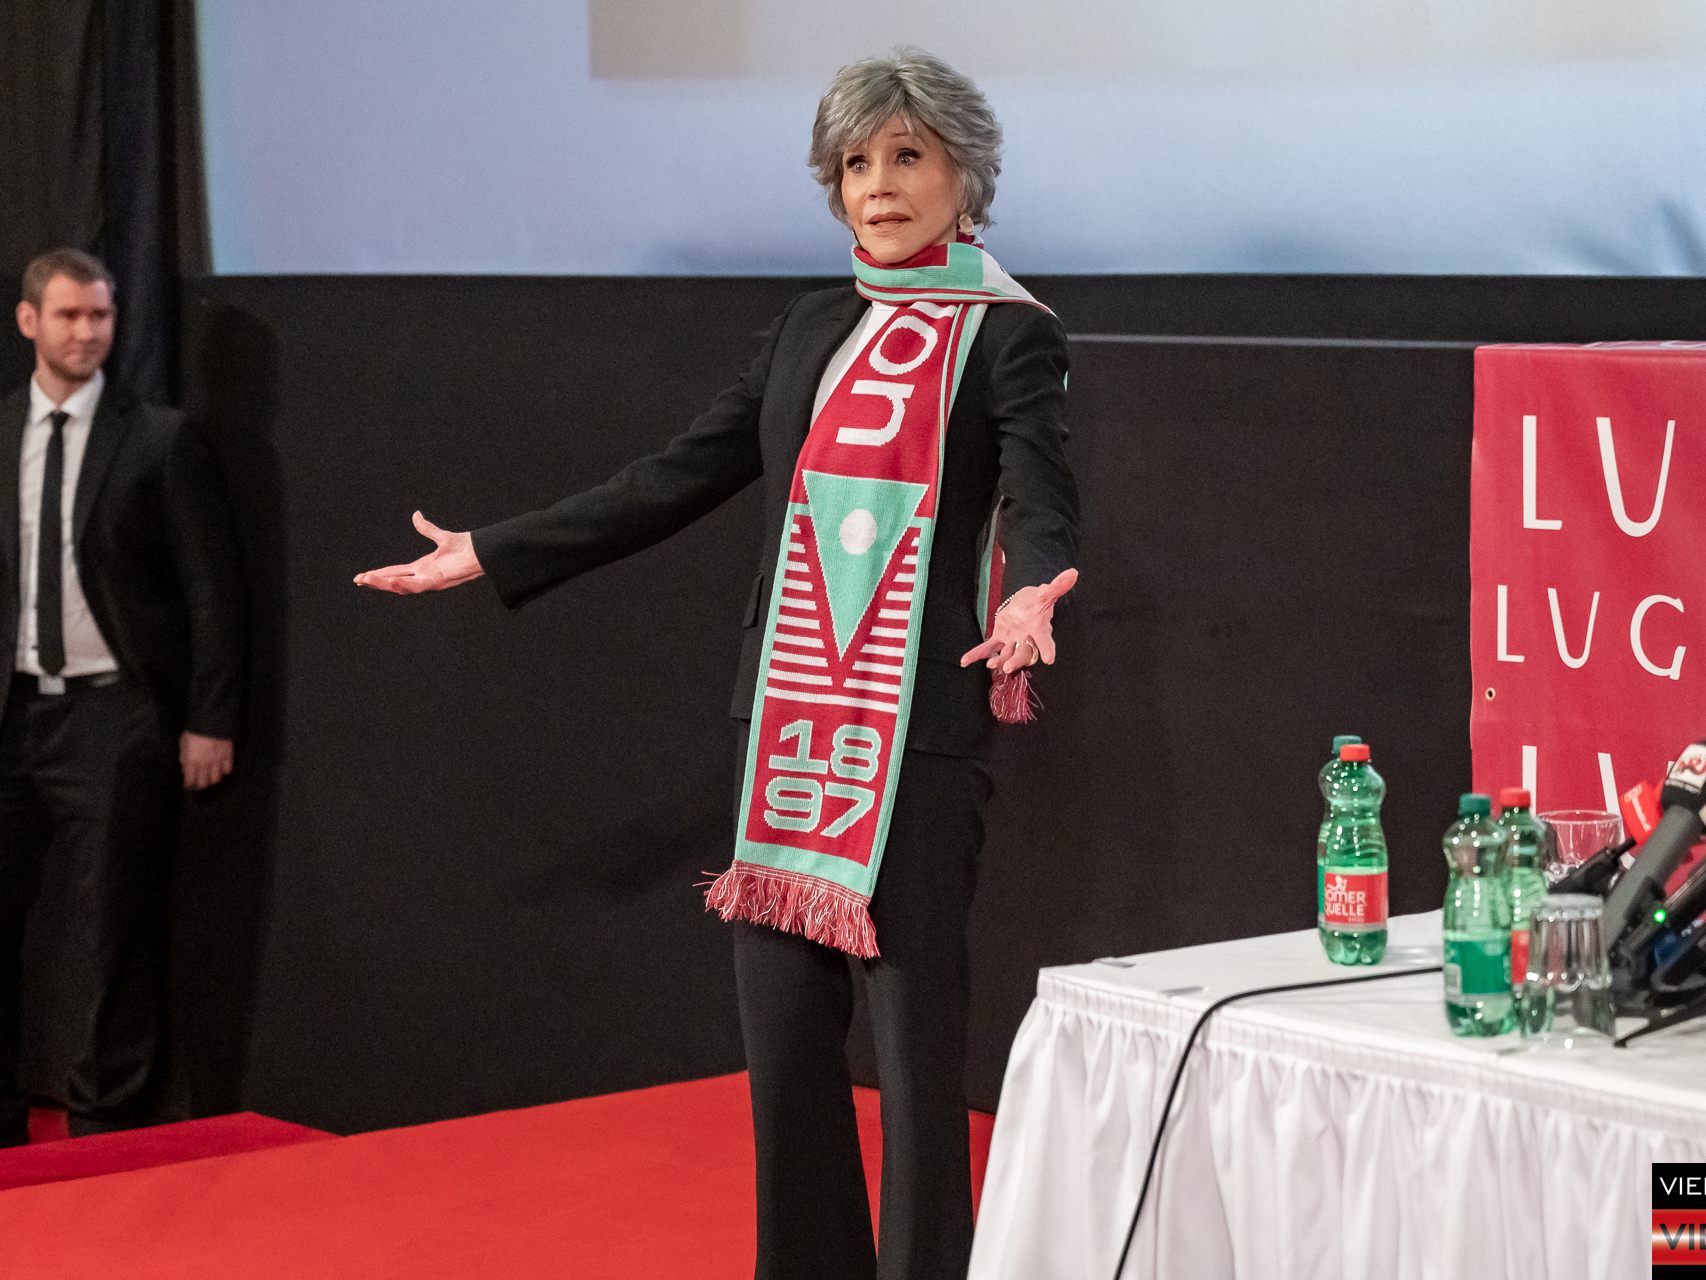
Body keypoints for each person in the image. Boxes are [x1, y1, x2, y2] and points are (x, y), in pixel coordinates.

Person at [357, 49, 1078, 1280]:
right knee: (785, 1049)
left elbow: (1042, 491)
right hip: (790, 723)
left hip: (913, 731)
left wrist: (1030, 586)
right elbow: (675, 475)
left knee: (914, 1051)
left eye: (906, 156)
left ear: (964, 177)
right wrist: (495, 546)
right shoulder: (809, 326)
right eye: (854, 162)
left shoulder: (1010, 335)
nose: (877, 184)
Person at [0, 248, 244, 1142]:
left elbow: (213, 592)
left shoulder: (159, 439)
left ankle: (109, 1119)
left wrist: (210, 718)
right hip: (13, 713)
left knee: (109, 926)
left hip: (114, 713)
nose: (86, 332)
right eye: (69, 315)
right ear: (29, 321)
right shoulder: (3, 432)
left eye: (100, 316)